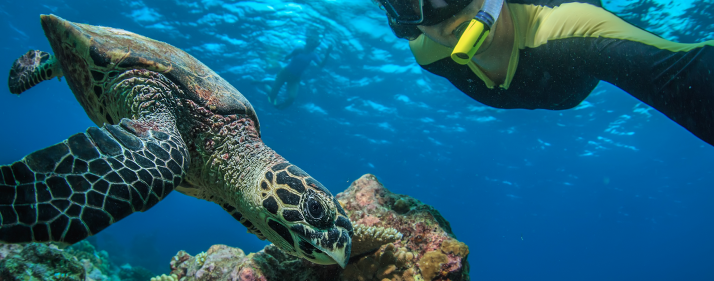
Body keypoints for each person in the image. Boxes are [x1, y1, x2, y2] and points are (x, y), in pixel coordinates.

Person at [374, 0, 714, 145]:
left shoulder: (571, 31)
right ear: (399, 22)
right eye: (408, 3)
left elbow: (693, 76)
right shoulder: (428, 53)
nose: (441, 11)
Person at [267, 28, 333, 109]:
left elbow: (321, 65)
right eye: (312, 40)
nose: (313, 42)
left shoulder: (314, 55)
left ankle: (278, 109)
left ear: (317, 45)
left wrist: (327, 53)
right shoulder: (298, 47)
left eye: (315, 42)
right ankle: (264, 85)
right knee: (273, 95)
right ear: (307, 40)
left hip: (295, 78)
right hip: (284, 73)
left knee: (292, 98)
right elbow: (286, 58)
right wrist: (293, 53)